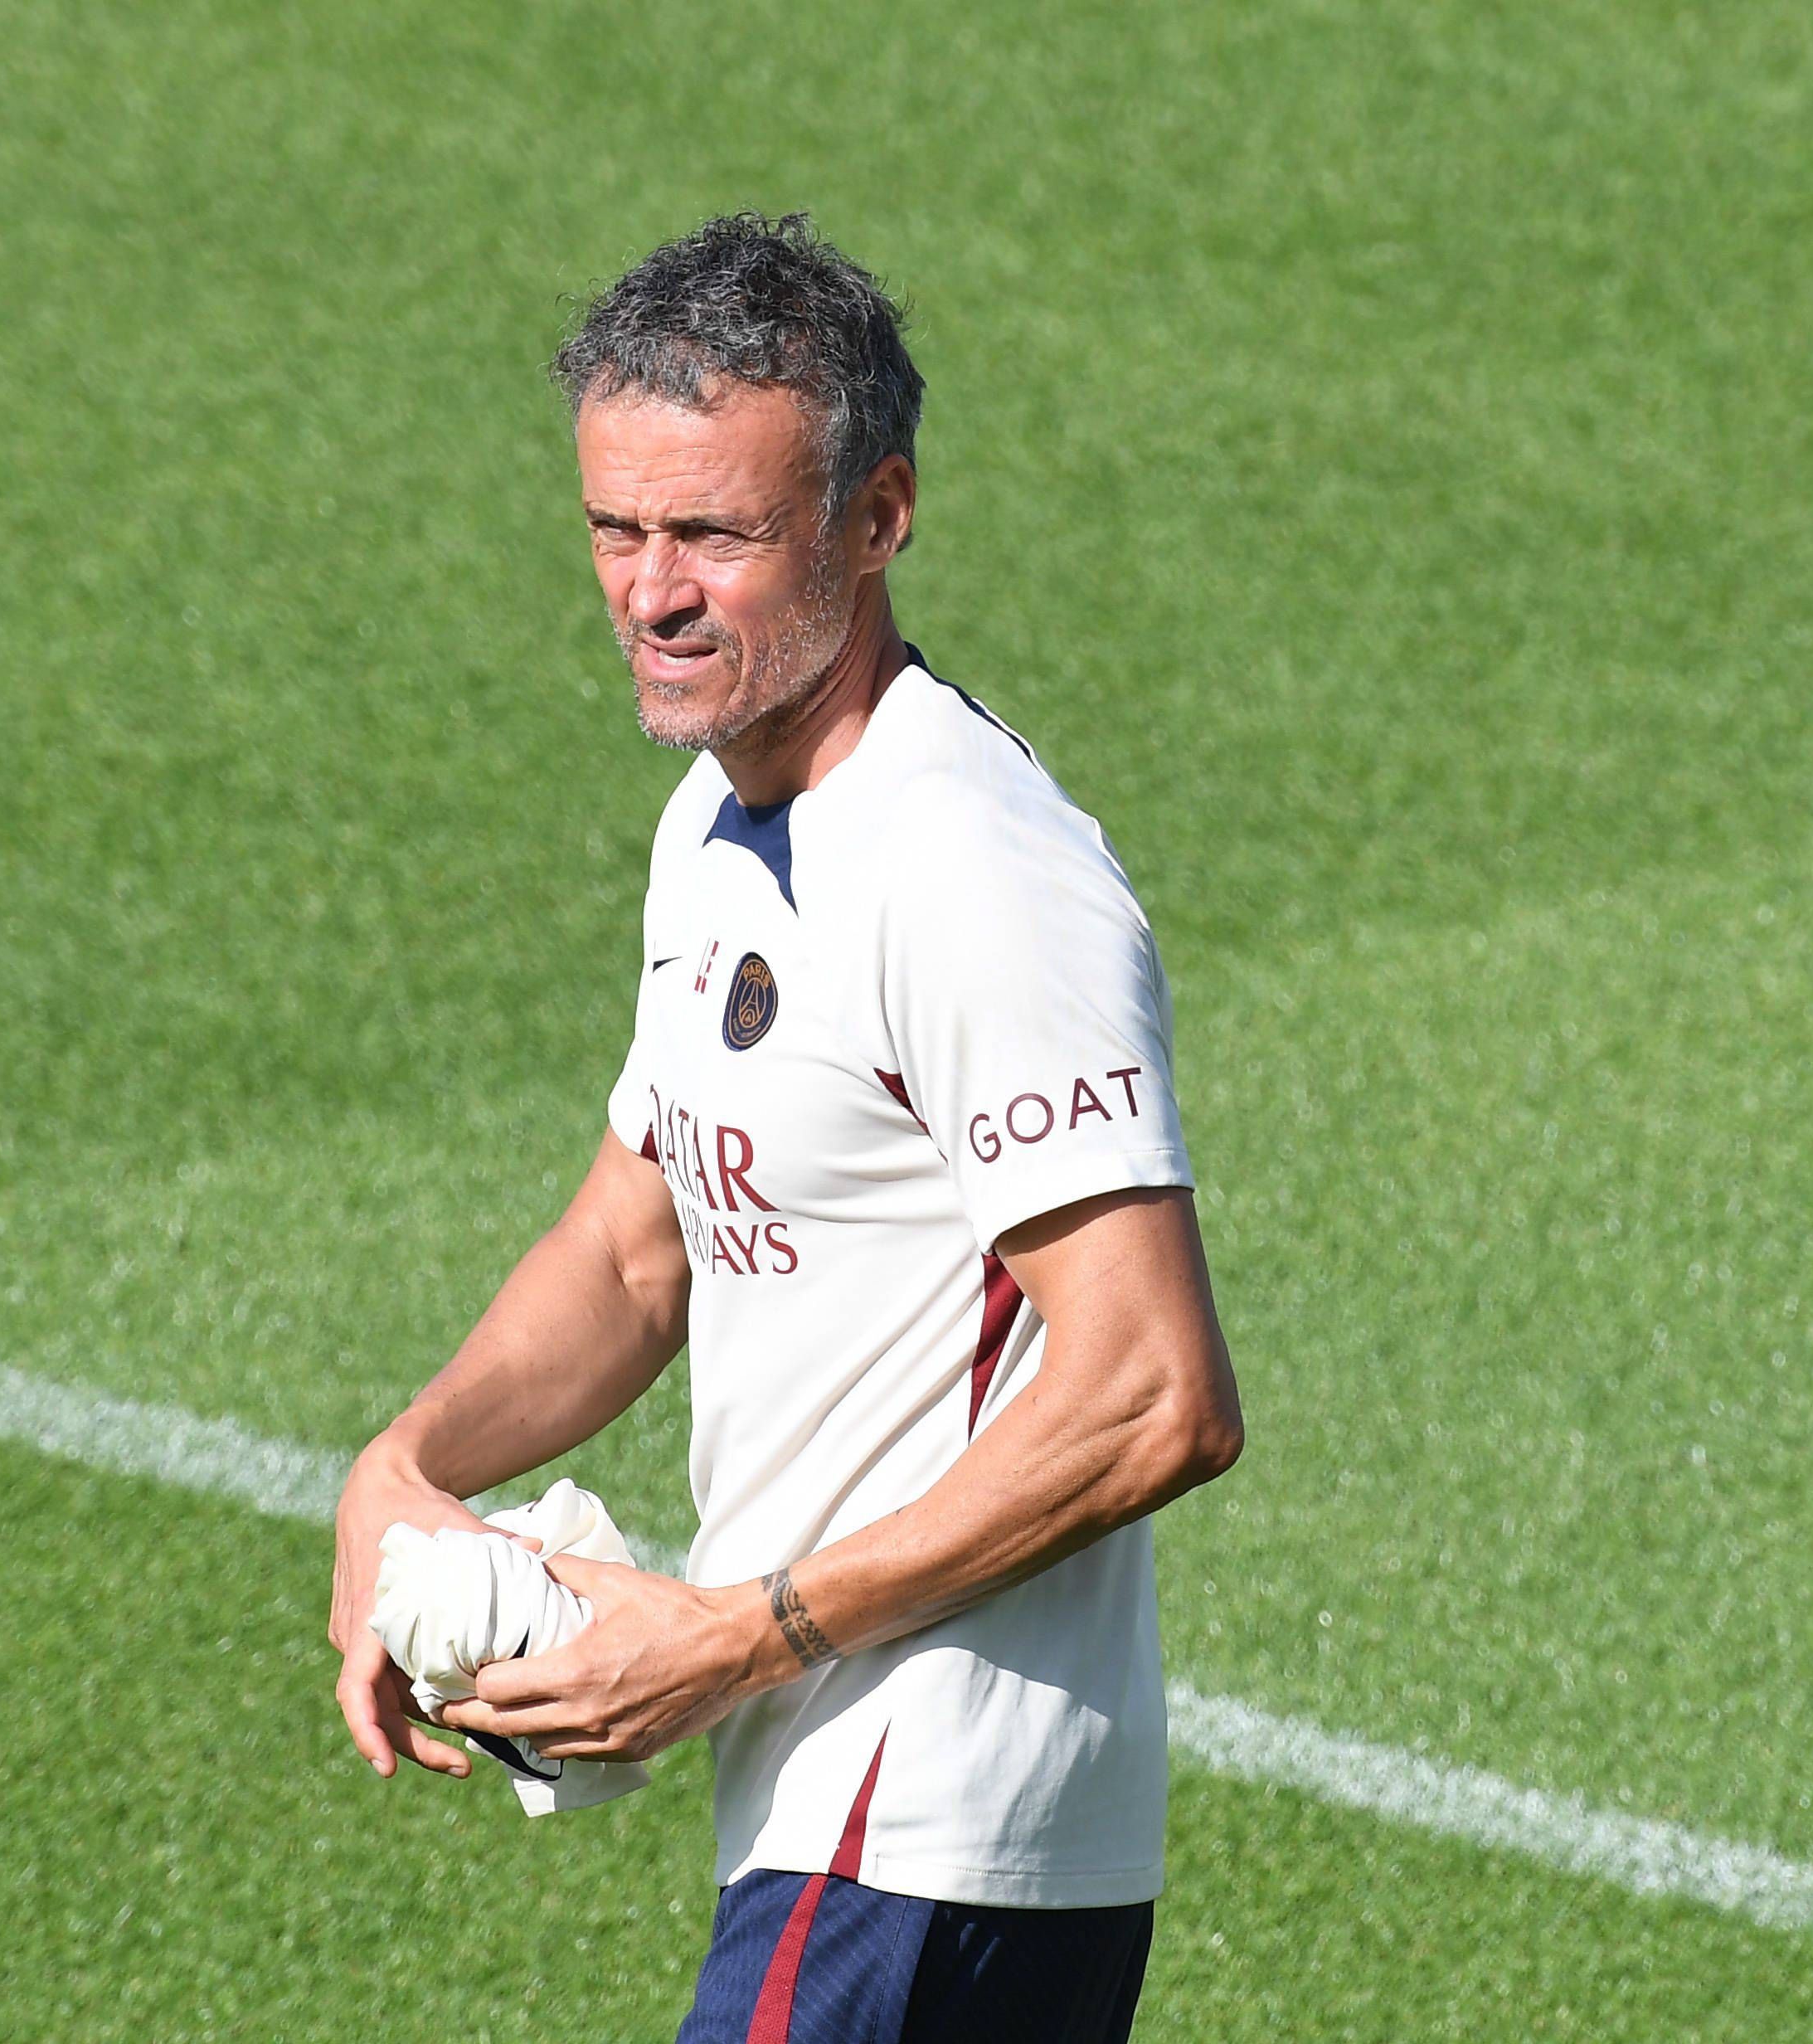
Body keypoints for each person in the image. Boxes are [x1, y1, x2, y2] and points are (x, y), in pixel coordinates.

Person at [326, 212, 1243, 2044]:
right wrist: (404, 1459)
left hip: (921, 1819)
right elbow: (633, 1241)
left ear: (878, 514)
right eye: (616, 528)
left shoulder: (971, 870)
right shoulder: (719, 822)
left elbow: (1156, 1390)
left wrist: (744, 1633)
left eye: (715, 535)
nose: (652, 589)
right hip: (852, 1818)